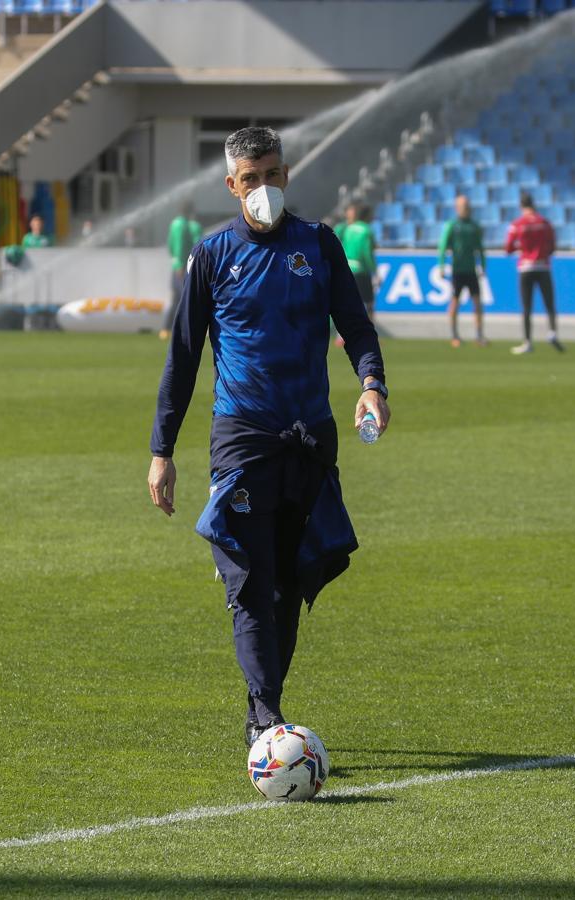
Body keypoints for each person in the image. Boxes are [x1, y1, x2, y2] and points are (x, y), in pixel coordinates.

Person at [146, 126, 387, 748]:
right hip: (243, 438)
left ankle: (267, 706)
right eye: (249, 179)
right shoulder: (212, 254)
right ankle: (265, 714)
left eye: (272, 174)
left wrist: (371, 384)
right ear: (232, 185)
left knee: (290, 577)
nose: (263, 188)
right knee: (250, 579)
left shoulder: (320, 244)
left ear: (286, 175)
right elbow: (183, 356)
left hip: (311, 439)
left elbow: (356, 326)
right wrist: (161, 450)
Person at [505, 192, 562, 354]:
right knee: (549, 302)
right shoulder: (544, 223)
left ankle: (528, 342)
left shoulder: (517, 224)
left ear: (521, 206)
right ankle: (552, 332)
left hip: (526, 267)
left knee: (526, 307)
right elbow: (552, 246)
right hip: (543, 266)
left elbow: (508, 248)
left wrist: (520, 248)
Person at [438, 194, 486, 348]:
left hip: (471, 269)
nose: (466, 208)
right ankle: (454, 335)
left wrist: (483, 265)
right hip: (458, 270)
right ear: (457, 208)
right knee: (454, 302)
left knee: (477, 302)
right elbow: (443, 246)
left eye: (467, 206)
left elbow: (480, 247)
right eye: (463, 206)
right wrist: (441, 265)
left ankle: (479, 335)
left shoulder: (474, 226)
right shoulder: (452, 225)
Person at [333, 204, 378, 346]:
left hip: (346, 267)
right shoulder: (366, 230)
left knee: (345, 303)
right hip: (360, 270)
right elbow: (366, 252)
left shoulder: (347, 228)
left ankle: (340, 336)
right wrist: (375, 271)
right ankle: (369, 335)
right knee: (368, 303)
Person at [160, 202, 202, 341]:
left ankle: (166, 329)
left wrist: (175, 262)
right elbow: (184, 245)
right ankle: (184, 330)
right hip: (183, 267)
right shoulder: (185, 225)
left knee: (177, 299)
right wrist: (180, 264)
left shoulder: (175, 223)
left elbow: (170, 245)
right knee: (187, 299)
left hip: (177, 266)